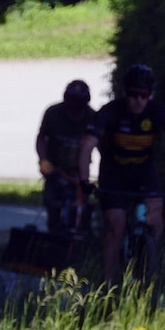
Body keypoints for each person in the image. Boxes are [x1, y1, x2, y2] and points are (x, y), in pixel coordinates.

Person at [77, 64, 165, 283]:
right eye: (134, 94)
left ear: (150, 95)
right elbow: (87, 144)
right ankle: (106, 285)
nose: (139, 101)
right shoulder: (111, 111)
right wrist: (84, 180)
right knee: (116, 226)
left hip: (144, 171)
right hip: (113, 172)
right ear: (126, 93)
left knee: (155, 218)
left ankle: (148, 260)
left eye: (144, 95)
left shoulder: (159, 112)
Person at [35, 79, 95, 235]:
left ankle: (80, 244)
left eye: (79, 102)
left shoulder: (92, 117)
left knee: (82, 210)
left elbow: (102, 144)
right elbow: (42, 138)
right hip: (55, 169)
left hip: (79, 173)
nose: (75, 106)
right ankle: (54, 236)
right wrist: (43, 160)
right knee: (53, 208)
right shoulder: (53, 113)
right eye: (72, 100)